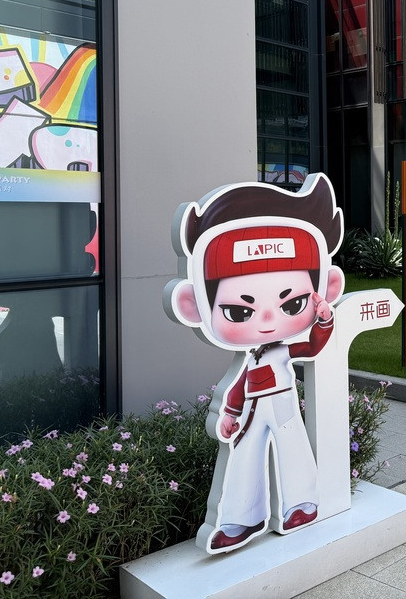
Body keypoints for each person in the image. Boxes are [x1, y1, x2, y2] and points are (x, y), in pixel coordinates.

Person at [165, 176, 345, 553]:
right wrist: (228, 414)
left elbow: (314, 344)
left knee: (294, 448)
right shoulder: (251, 356)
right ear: (192, 305)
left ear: (326, 287)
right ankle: (241, 519)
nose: (266, 321)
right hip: (251, 409)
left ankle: (301, 505)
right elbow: (235, 385)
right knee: (244, 457)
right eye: (239, 311)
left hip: (283, 402)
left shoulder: (282, 350)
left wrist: (325, 319)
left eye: (291, 304)